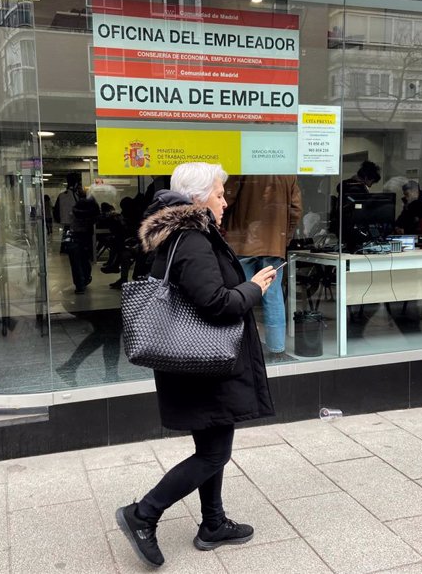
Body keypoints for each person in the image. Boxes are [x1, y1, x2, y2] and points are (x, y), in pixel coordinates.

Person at [116, 162, 277, 568]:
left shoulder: (179, 234)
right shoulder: (191, 239)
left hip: (198, 363)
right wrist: (253, 289)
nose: (225, 201)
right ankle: (143, 514)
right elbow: (217, 303)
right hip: (206, 364)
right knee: (213, 454)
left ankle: (213, 524)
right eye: (220, 194)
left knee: (211, 445)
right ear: (199, 198)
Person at [223, 175, 302, 358]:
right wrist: (285, 238)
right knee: (273, 295)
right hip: (274, 243)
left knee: (241, 294)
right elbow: (296, 210)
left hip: (242, 241)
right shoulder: (288, 173)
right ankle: (277, 349)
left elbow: (226, 201)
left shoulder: (244, 168)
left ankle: (241, 347)